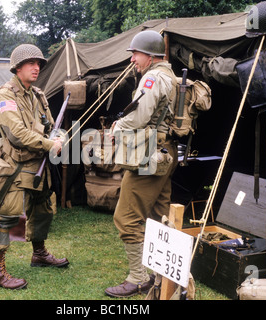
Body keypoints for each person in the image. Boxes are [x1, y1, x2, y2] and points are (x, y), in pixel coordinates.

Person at [0, 44, 69, 290]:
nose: (36, 67)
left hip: (38, 163)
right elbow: (16, 134)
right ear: (17, 67)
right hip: (14, 166)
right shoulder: (5, 96)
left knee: (43, 208)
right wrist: (48, 144)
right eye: (31, 63)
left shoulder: (38, 94)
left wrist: (59, 138)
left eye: (39, 63)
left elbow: (53, 125)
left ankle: (39, 253)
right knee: (8, 217)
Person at [105, 30, 179, 298]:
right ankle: (163, 275)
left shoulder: (152, 77)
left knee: (126, 217)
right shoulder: (171, 76)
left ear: (149, 56)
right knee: (159, 215)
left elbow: (138, 118)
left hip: (149, 154)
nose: (133, 60)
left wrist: (117, 125)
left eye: (135, 54)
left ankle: (138, 277)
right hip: (166, 152)